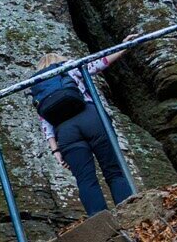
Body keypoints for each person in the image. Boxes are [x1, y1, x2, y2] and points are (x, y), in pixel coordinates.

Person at [29, 33, 141, 216]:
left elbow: (45, 123)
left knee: (85, 180)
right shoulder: (68, 67)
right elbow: (99, 63)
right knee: (114, 171)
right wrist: (123, 47)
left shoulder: (37, 86)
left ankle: (101, 226)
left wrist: (56, 150)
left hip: (65, 131)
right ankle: (130, 215)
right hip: (91, 118)